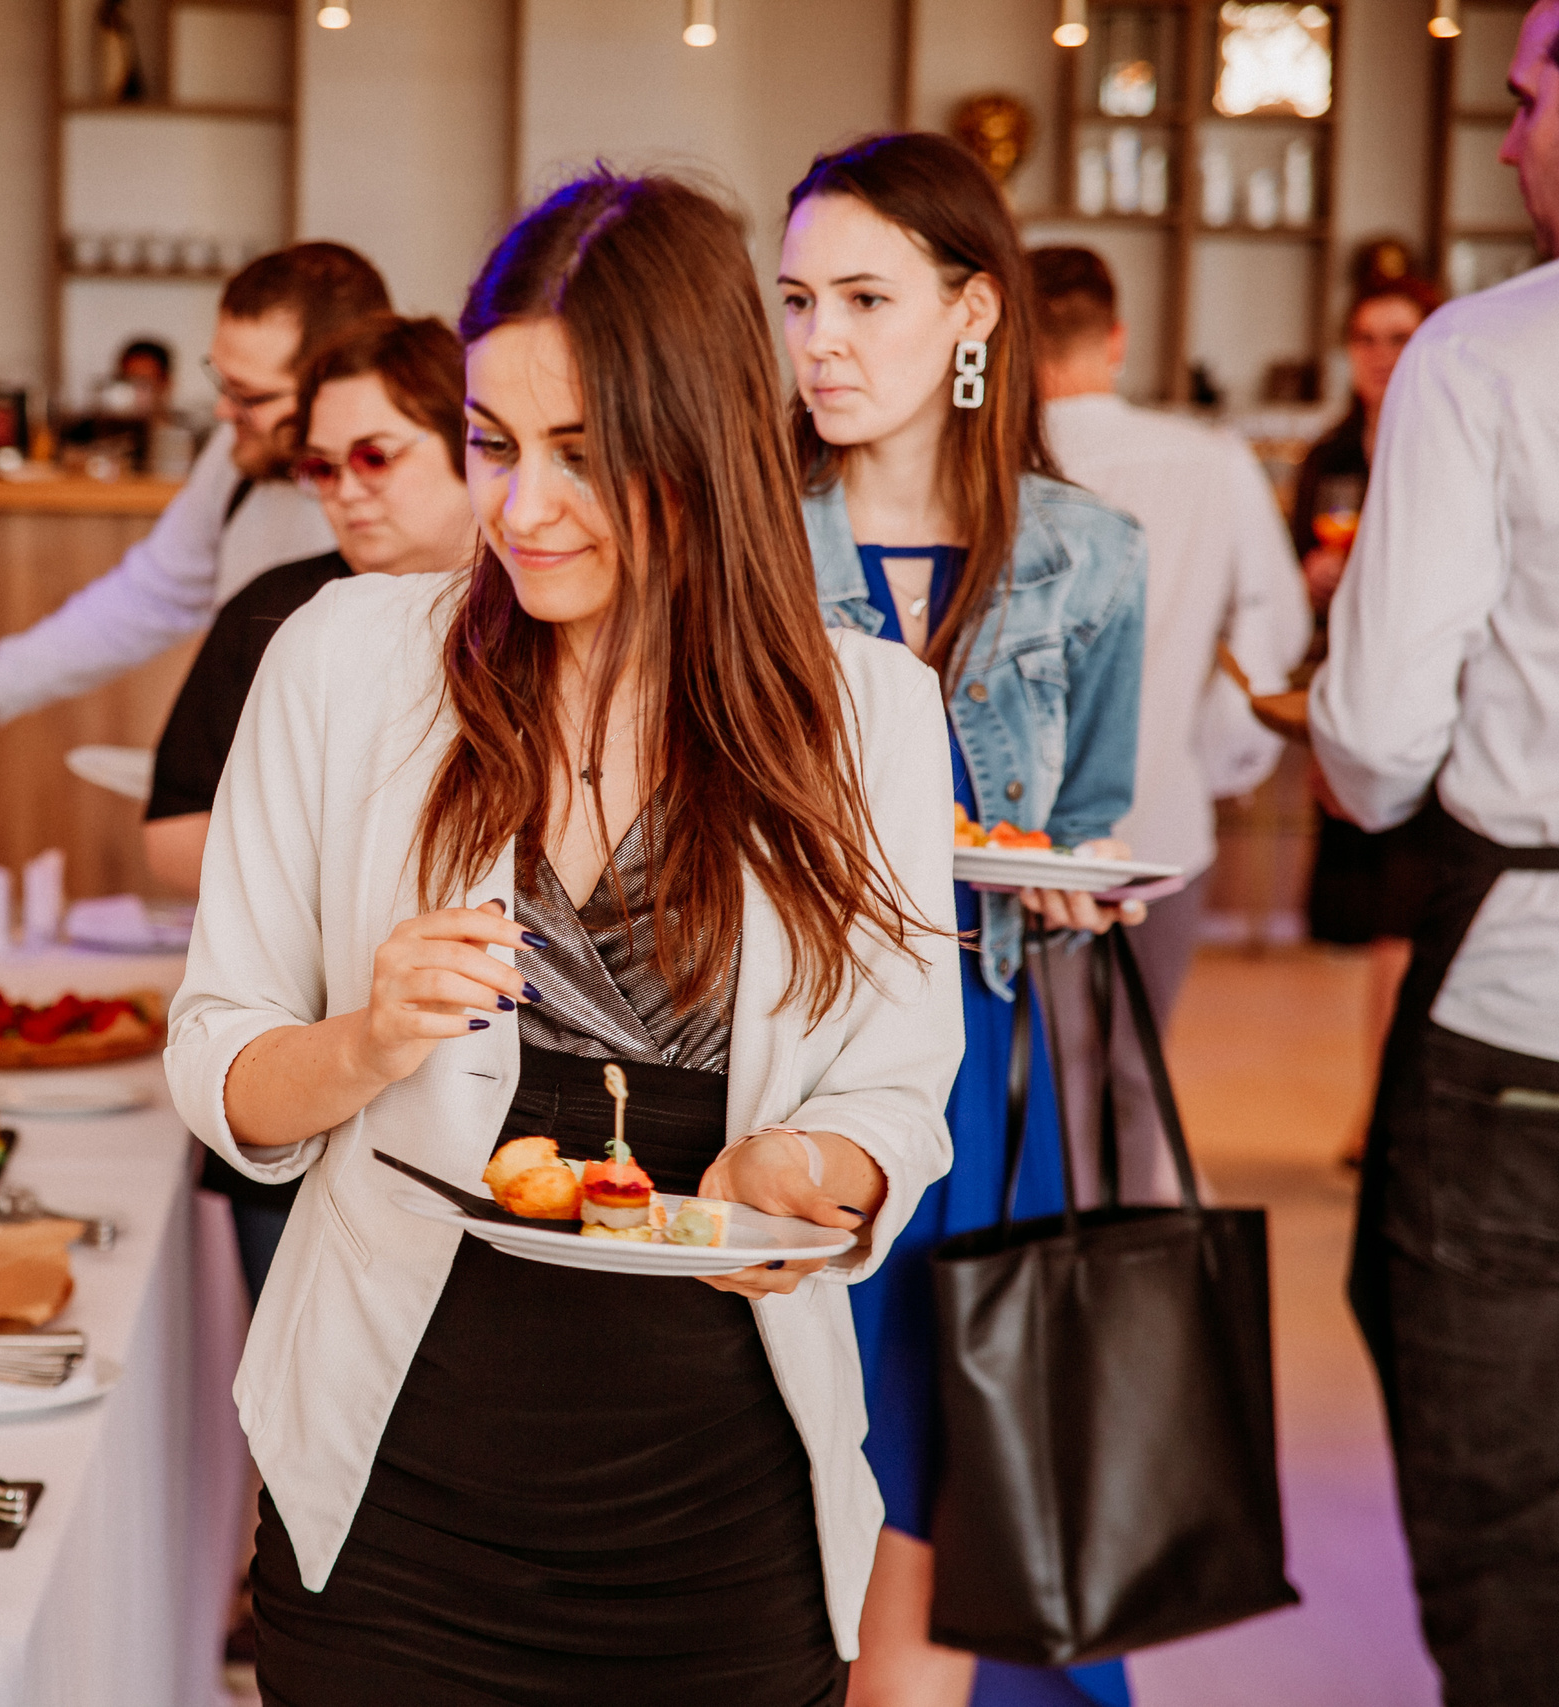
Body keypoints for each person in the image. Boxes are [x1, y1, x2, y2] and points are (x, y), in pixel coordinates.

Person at [166, 171, 961, 1704]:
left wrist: (818, 1172)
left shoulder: (868, 720)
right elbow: (219, 1061)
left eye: (586, 457)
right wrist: (364, 1040)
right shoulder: (342, 664)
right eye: (492, 443)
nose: (521, 509)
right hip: (392, 1519)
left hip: (722, 1526)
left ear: (713, 443)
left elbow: (898, 1083)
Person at [1309, 0, 1559, 1700]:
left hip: (1554, 988)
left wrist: (1354, 753)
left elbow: (1382, 739)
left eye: (1521, 102)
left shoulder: (1497, 346)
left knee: (1506, 1541)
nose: (1503, 140)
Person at [776, 134, 1145, 1707]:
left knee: (935, 1441)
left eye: (865, 296)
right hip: (787, 1057)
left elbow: (1093, 813)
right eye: (797, 301)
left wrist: (1074, 878)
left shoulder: (1089, 555)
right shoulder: (747, 541)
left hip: (986, 1067)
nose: (821, 342)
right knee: (800, 1440)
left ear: (975, 312)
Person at [145, 313, 476, 1309]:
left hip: (471, 1108)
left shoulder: (545, 624)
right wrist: (331, 894)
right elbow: (168, 836)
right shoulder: (276, 616)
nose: (346, 490)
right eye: (320, 468)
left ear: (474, 443)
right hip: (292, 1062)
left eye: (375, 455)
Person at [1029, 244, 1310, 1199]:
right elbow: (1275, 623)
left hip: (1013, 836)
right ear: (1116, 338)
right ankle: (1124, 1281)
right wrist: (1219, 756)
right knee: (1138, 1064)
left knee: (1047, 1071)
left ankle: (1035, 1287)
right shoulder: (1211, 460)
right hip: (1164, 821)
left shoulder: (996, 457)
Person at [0, 243, 391, 776]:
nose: (225, 411)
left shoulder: (410, 504)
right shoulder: (235, 464)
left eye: (250, 396)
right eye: (221, 381)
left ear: (343, 384)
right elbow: (151, 595)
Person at [1290, 273, 1446, 1161]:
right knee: (1380, 917)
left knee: (1406, 913)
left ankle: (1383, 1113)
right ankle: (1382, 1110)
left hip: (1428, 705)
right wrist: (1310, 581)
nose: (1382, 357)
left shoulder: (1444, 437)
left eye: (1400, 337)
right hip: (1346, 694)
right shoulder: (1330, 456)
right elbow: (1289, 574)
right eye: (1367, 339)